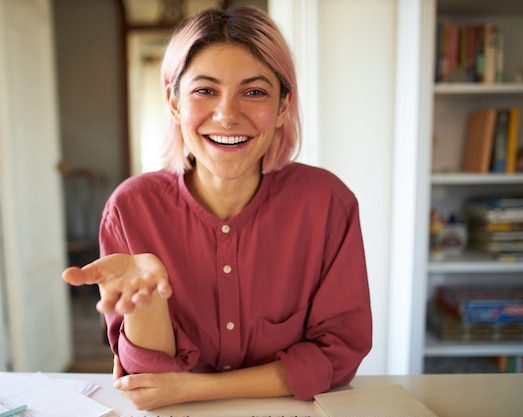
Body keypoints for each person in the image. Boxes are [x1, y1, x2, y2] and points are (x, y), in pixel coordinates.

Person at [63, 5, 372, 411]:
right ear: (174, 103)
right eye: (205, 90)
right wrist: (149, 303)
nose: (227, 115)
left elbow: (338, 356)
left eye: (255, 92)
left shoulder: (328, 203)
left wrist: (194, 389)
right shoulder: (130, 209)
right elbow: (148, 383)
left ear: (282, 107)